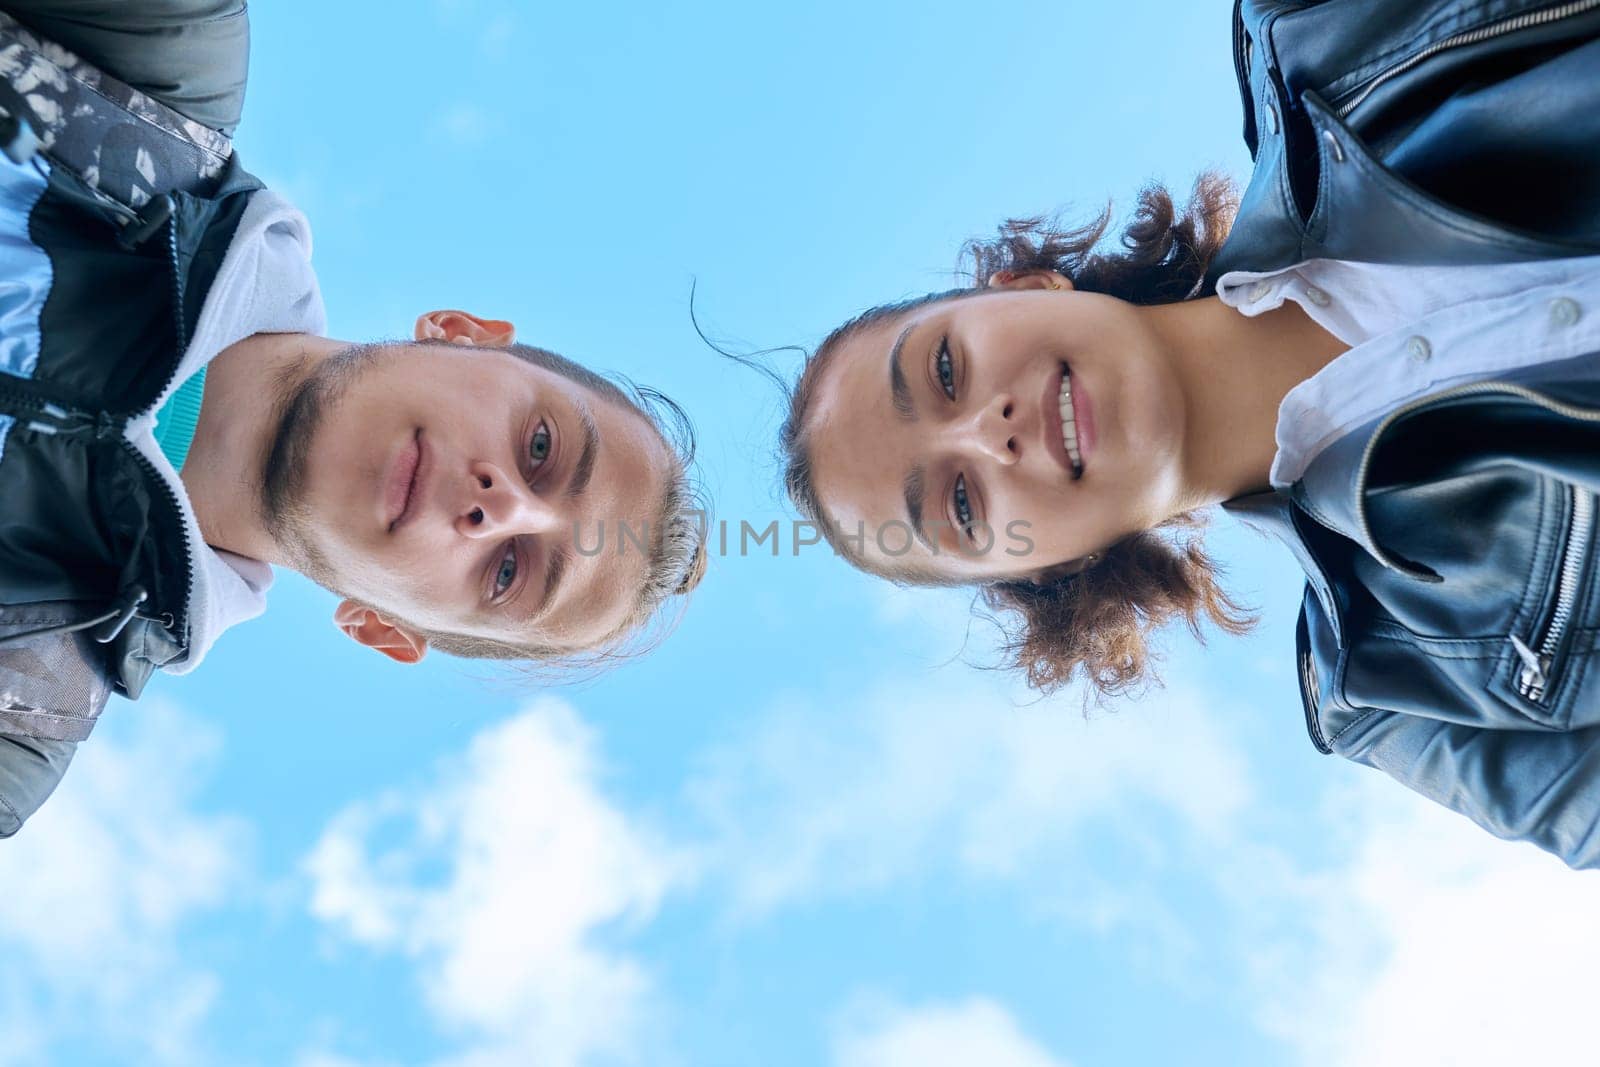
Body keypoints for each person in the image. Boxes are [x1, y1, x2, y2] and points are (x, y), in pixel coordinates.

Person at [764, 0, 1600, 868]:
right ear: (1049, 571)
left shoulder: (1323, 28)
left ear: (1025, 284)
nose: (988, 431)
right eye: (963, 502)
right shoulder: (1399, 698)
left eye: (943, 371)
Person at [0, 3, 706, 838]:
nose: (499, 506)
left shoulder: (17, 724)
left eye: (510, 570)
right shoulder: (148, 68)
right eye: (542, 446)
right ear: (465, 335)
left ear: (387, 629)